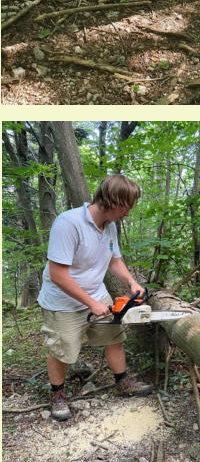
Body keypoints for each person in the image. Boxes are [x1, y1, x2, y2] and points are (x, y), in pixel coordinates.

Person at [37, 173, 152, 421]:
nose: (128, 213)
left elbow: (114, 259)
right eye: (126, 207)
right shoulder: (68, 223)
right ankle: (58, 394)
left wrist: (131, 282)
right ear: (112, 201)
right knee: (62, 349)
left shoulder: (109, 227)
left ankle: (122, 381)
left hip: (96, 294)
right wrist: (91, 303)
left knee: (113, 337)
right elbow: (57, 274)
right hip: (63, 301)